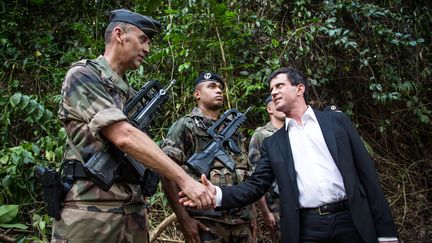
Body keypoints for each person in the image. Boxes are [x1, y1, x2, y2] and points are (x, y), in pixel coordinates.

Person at [181, 67, 399, 243]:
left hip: (351, 219)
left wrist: (387, 233)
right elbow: (255, 186)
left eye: (280, 86)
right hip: (307, 228)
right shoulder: (273, 143)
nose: (274, 92)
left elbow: (368, 176)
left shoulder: (337, 122)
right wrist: (217, 194)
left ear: (300, 89)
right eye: (271, 89)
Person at [53, 9, 213, 243]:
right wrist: (184, 179)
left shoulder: (130, 94)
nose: (147, 49)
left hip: (133, 213)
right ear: (119, 34)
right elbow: (123, 136)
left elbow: (145, 153)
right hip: (90, 211)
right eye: (143, 39)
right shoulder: (83, 75)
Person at [161, 72, 256, 243]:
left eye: (220, 87)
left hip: (242, 221)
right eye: (212, 86)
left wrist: (253, 215)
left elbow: (247, 173)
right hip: (206, 222)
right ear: (197, 94)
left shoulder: (233, 129)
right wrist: (184, 218)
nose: (219, 90)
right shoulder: (185, 126)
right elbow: (166, 172)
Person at [249, 95, 284, 243]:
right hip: (276, 204)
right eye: (276, 104)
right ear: (270, 109)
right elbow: (255, 176)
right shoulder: (261, 135)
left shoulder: (295, 130)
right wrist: (265, 211)